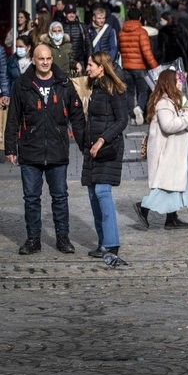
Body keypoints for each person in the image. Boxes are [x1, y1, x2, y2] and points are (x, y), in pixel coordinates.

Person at [4, 44, 86, 255]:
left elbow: (77, 116)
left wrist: (85, 143)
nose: (46, 62)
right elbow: (13, 118)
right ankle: (33, 240)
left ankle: (63, 238)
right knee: (31, 198)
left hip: (57, 150)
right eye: (41, 58)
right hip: (30, 150)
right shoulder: (22, 84)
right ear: (34, 60)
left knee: (60, 197)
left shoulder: (64, 83)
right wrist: (10, 147)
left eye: (49, 58)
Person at [133, 69, 188, 230]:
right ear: (169, 83)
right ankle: (144, 207)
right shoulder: (164, 103)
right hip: (168, 152)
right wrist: (187, 118)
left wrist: (182, 91)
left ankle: (171, 218)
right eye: (176, 80)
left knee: (175, 184)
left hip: (175, 150)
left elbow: (186, 104)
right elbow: (168, 126)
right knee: (166, 186)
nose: (179, 83)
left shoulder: (173, 100)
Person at [81, 52, 129, 262]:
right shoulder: (94, 88)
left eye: (90, 65)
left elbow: (122, 120)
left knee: (102, 192)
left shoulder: (113, 89)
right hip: (92, 150)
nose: (87, 68)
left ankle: (111, 243)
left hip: (108, 149)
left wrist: (102, 139)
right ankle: (103, 242)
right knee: (93, 194)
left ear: (101, 67)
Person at [119, 8, 159, 125]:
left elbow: (121, 50)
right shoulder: (142, 32)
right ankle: (140, 108)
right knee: (143, 91)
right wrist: (154, 66)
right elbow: (146, 52)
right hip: (140, 67)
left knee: (130, 92)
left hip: (126, 66)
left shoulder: (121, 33)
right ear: (140, 18)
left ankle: (132, 117)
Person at [61, 4, 92, 75]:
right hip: (65, 62)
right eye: (69, 13)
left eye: (73, 13)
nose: (72, 15)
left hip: (80, 62)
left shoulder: (82, 26)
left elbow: (88, 44)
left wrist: (89, 60)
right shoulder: (60, 27)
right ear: (64, 14)